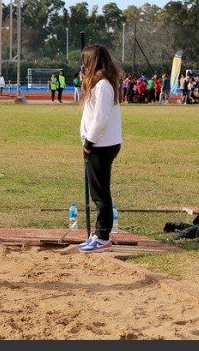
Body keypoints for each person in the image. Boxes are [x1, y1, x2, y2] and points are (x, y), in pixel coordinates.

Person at [77, 44, 123, 253]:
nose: (83, 65)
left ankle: (103, 236)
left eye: (85, 61)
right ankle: (99, 234)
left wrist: (89, 142)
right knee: (98, 190)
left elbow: (101, 118)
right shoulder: (98, 84)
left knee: (99, 192)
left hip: (101, 144)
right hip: (100, 143)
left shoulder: (103, 85)